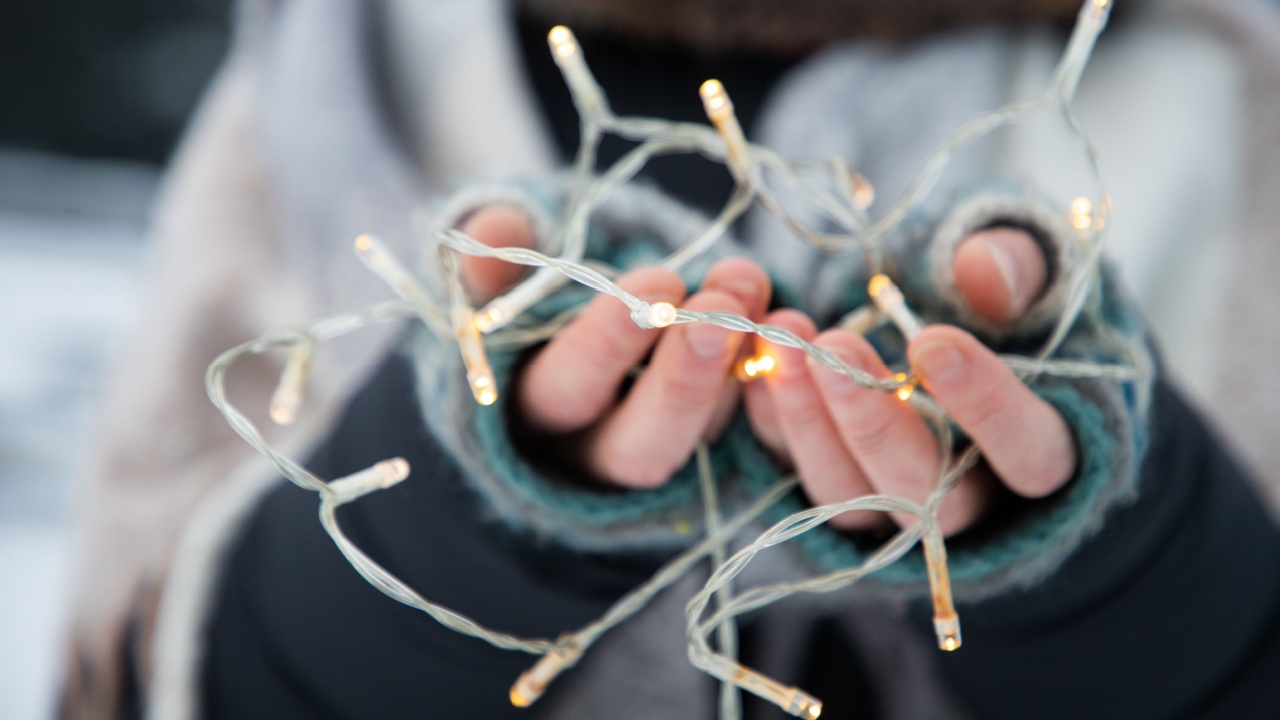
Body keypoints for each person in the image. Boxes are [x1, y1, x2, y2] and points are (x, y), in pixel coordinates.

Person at [60, 0, 1280, 718]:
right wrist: (469, 520)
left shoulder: (1224, 93)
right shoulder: (347, 76)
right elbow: (134, 667)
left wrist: (1129, 565)